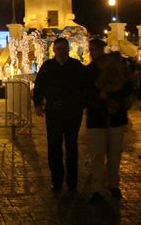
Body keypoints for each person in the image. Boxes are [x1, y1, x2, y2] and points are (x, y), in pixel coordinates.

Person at [33, 37, 85, 192]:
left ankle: (72, 181)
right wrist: (37, 104)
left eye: (64, 48)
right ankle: (56, 180)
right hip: (54, 112)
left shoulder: (76, 66)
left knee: (71, 146)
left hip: (72, 112)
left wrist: (81, 104)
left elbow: (83, 87)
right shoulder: (47, 66)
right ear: (54, 50)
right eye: (59, 49)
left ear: (68, 49)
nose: (61, 51)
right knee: (54, 146)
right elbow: (39, 86)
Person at [85, 40, 134, 202]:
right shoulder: (89, 71)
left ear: (102, 50)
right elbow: (85, 94)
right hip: (96, 119)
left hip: (116, 118)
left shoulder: (117, 68)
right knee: (97, 155)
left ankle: (113, 185)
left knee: (115, 155)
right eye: (90, 49)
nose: (92, 52)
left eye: (95, 49)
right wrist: (98, 99)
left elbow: (127, 89)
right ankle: (97, 189)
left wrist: (116, 100)